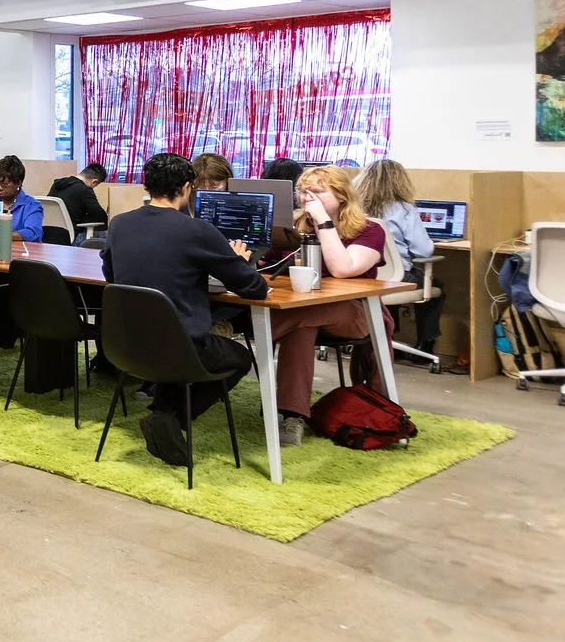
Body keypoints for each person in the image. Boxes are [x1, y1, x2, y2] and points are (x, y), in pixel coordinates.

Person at [102, 152, 270, 468]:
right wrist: (236, 260)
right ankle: (168, 417)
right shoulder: (197, 231)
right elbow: (254, 288)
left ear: (146, 186)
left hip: (126, 346)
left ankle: (163, 416)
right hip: (180, 349)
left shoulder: (119, 225)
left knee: (177, 343)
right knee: (237, 358)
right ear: (187, 188)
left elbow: (111, 275)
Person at [270, 164, 388, 446]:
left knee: (303, 312)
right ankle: (292, 415)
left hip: (353, 312)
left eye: (318, 192)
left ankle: (246, 329)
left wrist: (324, 223)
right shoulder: (293, 227)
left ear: (342, 196)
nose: (307, 198)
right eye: (302, 192)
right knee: (302, 326)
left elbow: (342, 269)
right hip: (304, 312)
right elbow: (266, 263)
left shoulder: (369, 231)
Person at [356, 159, 446, 361]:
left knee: (389, 287)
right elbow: (424, 250)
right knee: (437, 288)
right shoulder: (404, 210)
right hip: (397, 277)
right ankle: (426, 345)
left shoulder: (354, 209)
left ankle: (388, 337)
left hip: (363, 276)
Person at [0, 156, 46, 245]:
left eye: (5, 184)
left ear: (18, 183)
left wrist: (0, 235)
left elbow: (33, 233)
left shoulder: (31, 206)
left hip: (20, 253)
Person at [45, 161, 109, 230]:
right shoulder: (85, 190)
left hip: (47, 232)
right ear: (94, 182)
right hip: (72, 235)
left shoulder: (57, 184)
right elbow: (101, 217)